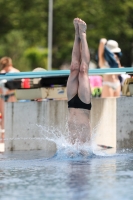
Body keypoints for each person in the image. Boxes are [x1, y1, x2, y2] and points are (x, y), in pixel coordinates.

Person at [67, 18, 91, 145]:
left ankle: (79, 35)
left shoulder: (85, 150)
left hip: (72, 104)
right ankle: (82, 35)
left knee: (74, 68)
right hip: (84, 104)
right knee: (82, 70)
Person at [0, 57, 20, 142]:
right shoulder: (2, 72)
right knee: (3, 116)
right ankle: (3, 136)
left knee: (12, 115)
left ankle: (12, 134)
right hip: (2, 96)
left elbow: (19, 85)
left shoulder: (16, 72)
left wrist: (10, 89)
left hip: (11, 95)